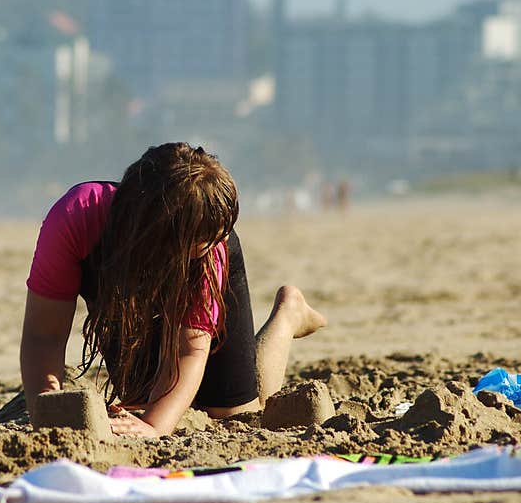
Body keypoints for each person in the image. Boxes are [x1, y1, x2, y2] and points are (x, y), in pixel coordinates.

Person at [20, 142, 327, 438]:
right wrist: (47, 409)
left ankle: (288, 316)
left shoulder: (211, 250)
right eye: (197, 246)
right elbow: (42, 335)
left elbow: (188, 349)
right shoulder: (76, 218)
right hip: (125, 270)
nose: (207, 248)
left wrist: (153, 426)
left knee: (234, 414)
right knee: (137, 398)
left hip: (205, 267)